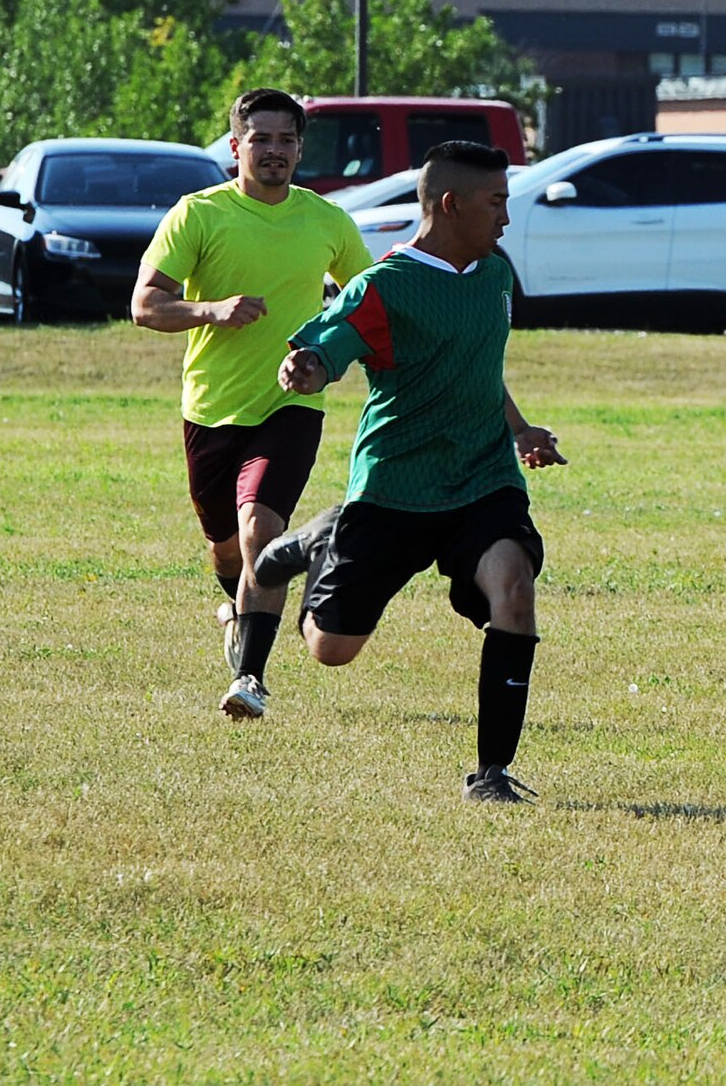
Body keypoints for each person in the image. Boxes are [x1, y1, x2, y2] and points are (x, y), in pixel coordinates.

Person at [252, 141, 566, 804]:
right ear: (452, 205)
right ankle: (319, 539)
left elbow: (479, 366)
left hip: (482, 480)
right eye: (497, 203)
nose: (507, 218)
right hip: (394, 487)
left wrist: (519, 429)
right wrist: (305, 366)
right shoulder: (384, 286)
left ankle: (491, 774)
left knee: (513, 586)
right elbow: (325, 347)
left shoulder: (495, 275)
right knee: (331, 648)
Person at [133, 88, 372, 721]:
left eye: (286, 140)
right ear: (236, 146)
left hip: (290, 405)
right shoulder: (198, 215)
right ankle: (244, 613)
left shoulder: (327, 221)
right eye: (260, 139)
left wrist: (329, 357)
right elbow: (145, 305)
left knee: (260, 531)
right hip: (211, 408)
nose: (274, 151)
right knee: (228, 551)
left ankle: (250, 679)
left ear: (300, 148)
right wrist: (212, 310)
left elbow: (366, 306)